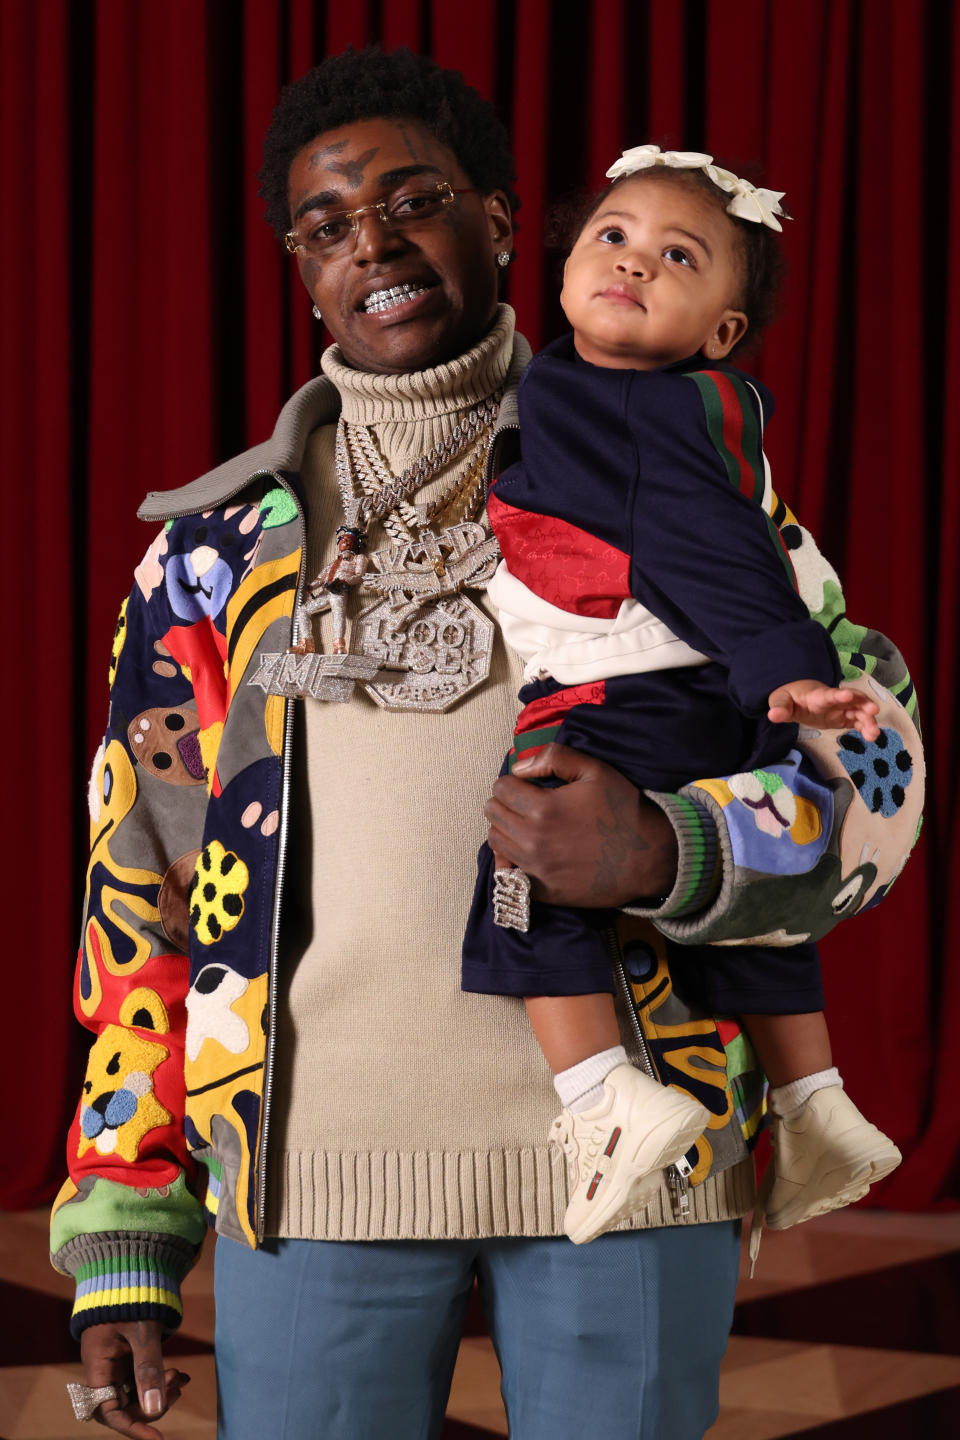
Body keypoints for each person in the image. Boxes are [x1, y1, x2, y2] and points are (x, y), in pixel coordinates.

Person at [50, 48, 923, 1440]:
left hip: (644, 1156)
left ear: (506, 223)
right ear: (300, 262)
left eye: (413, 200)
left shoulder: (679, 456)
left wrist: (671, 846)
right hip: (312, 1172)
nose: (374, 245)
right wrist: (122, 1228)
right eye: (328, 226)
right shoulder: (209, 558)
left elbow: (877, 775)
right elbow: (138, 893)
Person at [462, 145, 909, 1248]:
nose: (633, 264)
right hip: (701, 693)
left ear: (720, 329)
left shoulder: (619, 402)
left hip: (630, 692)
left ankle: (604, 1097)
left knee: (521, 862)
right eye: (613, 236)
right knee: (746, 925)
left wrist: (786, 668)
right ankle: (816, 1104)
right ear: (562, 261)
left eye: (677, 256)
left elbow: (711, 547)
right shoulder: (693, 404)